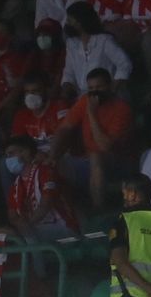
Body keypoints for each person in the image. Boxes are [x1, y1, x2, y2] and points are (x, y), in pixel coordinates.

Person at [53, 67, 136, 209]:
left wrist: (91, 113)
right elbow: (64, 128)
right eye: (91, 88)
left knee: (96, 157)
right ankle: (71, 215)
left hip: (119, 162)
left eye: (99, 87)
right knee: (53, 165)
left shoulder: (121, 108)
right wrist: (52, 155)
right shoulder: (85, 100)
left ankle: (99, 211)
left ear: (109, 86)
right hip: (89, 161)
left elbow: (105, 147)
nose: (95, 91)